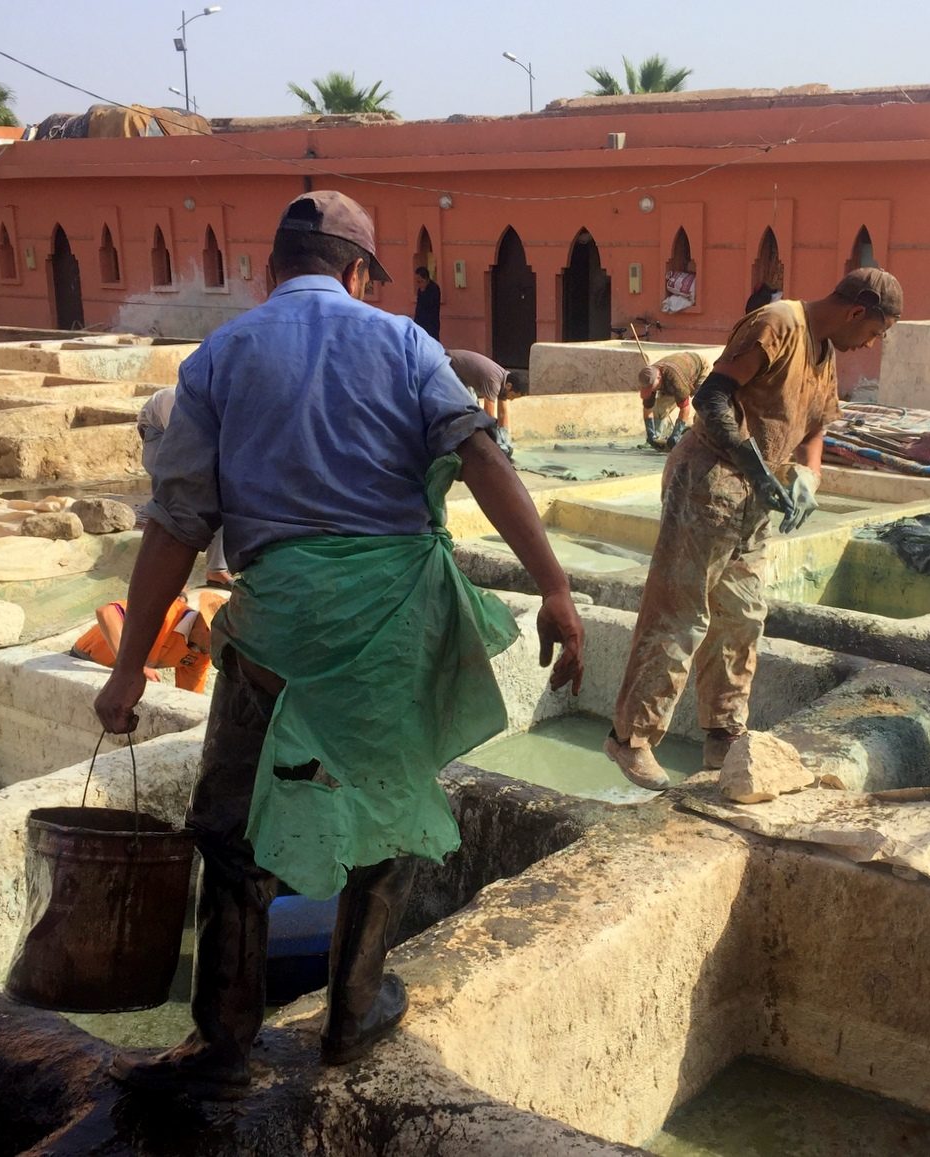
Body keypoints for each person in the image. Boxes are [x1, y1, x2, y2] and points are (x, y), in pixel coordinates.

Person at [95, 190, 584, 1100]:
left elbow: (176, 522)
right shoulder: (405, 344)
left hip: (275, 630)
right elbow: (483, 454)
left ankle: (225, 1044)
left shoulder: (221, 356)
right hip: (389, 627)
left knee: (233, 835)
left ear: (273, 271)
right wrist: (555, 587)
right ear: (359, 274)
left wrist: (130, 668)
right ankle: (352, 1011)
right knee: (383, 808)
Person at [605, 268, 902, 790]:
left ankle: (722, 732)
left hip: (753, 502)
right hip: (709, 484)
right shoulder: (777, 324)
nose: (871, 345)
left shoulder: (826, 352)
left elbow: (815, 428)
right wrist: (758, 469)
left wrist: (808, 476)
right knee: (681, 610)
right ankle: (632, 737)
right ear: (857, 311)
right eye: (876, 332)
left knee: (741, 614)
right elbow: (713, 398)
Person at [139, 386, 231, 585]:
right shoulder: (181, 406)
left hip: (186, 433)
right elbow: (183, 453)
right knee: (174, 502)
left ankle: (217, 570)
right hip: (157, 431)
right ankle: (160, 579)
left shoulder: (225, 412)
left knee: (222, 494)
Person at [72, 589, 229, 693]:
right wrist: (132, 665)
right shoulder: (164, 612)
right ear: (208, 629)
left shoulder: (202, 655)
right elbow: (106, 612)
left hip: (123, 675)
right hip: (85, 662)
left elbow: (190, 694)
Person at [638, 350, 708, 451]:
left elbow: (685, 408)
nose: (651, 390)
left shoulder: (676, 381)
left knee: (700, 403)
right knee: (659, 410)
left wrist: (675, 435)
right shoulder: (649, 378)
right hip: (674, 371)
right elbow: (647, 408)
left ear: (659, 378)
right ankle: (657, 438)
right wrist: (650, 434)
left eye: (652, 387)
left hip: (699, 366)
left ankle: (700, 437)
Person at [447, 348, 529, 429]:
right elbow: (488, 414)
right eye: (512, 396)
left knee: (474, 410)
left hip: (461, 375)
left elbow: (502, 414)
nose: (511, 399)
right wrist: (492, 436)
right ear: (509, 386)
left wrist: (504, 436)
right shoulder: (494, 382)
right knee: (471, 409)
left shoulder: (505, 383)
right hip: (447, 364)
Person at [413, 265, 441, 341]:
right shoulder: (420, 290)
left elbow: (431, 305)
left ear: (426, 279)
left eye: (420, 281)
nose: (419, 284)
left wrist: (424, 291)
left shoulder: (434, 288)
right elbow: (418, 307)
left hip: (431, 323)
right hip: (420, 323)